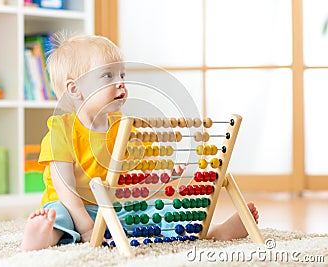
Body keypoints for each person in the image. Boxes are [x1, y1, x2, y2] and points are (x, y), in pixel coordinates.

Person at [21, 34, 259, 251]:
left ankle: (213, 231)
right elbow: (66, 189)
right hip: (74, 207)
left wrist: (164, 173)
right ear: (75, 89)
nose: (121, 82)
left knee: (156, 212)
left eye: (122, 75)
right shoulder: (60, 130)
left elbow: (138, 168)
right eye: (108, 76)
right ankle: (42, 237)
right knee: (58, 215)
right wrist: (85, 227)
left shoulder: (123, 126)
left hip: (114, 208)